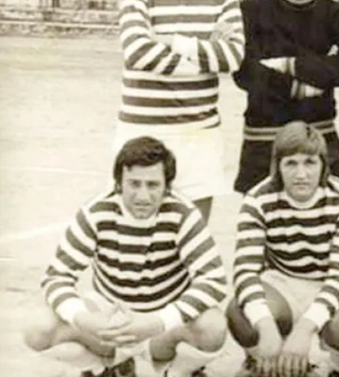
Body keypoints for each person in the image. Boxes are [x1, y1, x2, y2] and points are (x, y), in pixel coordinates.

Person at [23, 137, 228, 377]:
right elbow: (56, 277)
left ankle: (178, 372)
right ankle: (100, 368)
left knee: (213, 325)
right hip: (110, 323)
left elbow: (214, 280)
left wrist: (158, 321)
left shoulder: (183, 215)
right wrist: (84, 319)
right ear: (119, 183)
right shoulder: (96, 213)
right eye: (134, 184)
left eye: (153, 185)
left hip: (162, 325)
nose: (142, 196)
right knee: (38, 328)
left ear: (167, 186)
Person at [115, 0, 244, 222]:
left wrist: (172, 41)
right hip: (142, 130)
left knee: (193, 236)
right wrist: (206, 50)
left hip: (199, 135)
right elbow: (138, 53)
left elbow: (232, 57)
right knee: (136, 233)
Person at [227, 122, 339, 377]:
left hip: (327, 282)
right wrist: (265, 325)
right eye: (291, 163)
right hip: (282, 282)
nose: (301, 174)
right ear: (277, 166)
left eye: (310, 162)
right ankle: (263, 361)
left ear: (323, 165)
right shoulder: (258, 198)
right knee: (240, 311)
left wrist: (304, 329)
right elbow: (245, 271)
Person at [233, 0, 339, 195]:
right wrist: (305, 83)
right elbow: (245, 73)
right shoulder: (251, 10)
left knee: (325, 216)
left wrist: (289, 65)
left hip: (319, 137)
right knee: (258, 217)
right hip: (262, 139)